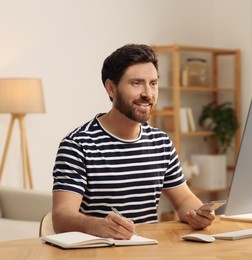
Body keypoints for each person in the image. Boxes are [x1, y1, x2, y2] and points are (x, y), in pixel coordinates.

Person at [51, 43, 215, 240]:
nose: (148, 93)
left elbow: (183, 200)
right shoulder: (77, 145)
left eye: (153, 83)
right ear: (111, 88)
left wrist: (198, 213)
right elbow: (61, 217)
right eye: (136, 83)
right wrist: (99, 226)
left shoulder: (160, 142)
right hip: (98, 252)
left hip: (148, 251)